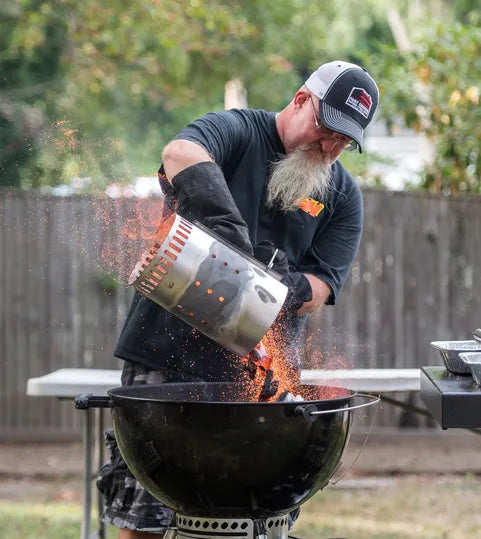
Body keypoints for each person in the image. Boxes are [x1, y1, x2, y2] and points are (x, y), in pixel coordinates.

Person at [97, 60, 379, 538]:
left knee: (256, 511)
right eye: (326, 128)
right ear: (300, 100)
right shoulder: (238, 130)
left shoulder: (342, 196)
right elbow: (179, 150)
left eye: (344, 141)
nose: (330, 147)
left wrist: (271, 285)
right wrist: (226, 227)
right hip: (166, 352)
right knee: (143, 514)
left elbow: (322, 287)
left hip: (258, 371)